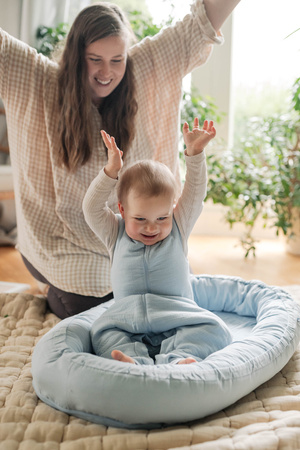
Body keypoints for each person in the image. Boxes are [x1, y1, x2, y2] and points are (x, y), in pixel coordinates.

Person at [0, 0, 240, 318]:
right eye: (94, 60)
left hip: (139, 237)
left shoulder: (147, 67)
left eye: (117, 59)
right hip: (64, 244)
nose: (106, 72)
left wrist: (194, 157)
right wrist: (110, 174)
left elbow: (203, 20)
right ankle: (52, 287)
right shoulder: (40, 79)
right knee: (100, 310)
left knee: (167, 298)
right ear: (75, 58)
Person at [83, 119, 232, 365]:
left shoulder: (178, 226)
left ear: (172, 209)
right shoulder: (115, 231)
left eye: (161, 217)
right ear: (122, 209)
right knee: (103, 333)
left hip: (176, 315)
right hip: (127, 318)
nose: (151, 227)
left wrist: (194, 154)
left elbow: (195, 193)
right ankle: (132, 361)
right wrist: (111, 171)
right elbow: (90, 208)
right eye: (140, 218)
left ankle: (179, 359)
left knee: (214, 329)